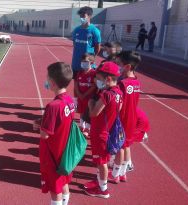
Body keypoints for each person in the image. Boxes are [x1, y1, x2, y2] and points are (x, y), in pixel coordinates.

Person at [34, 62, 75, 205]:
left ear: (52, 82)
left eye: (47, 78)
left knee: (54, 189)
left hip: (52, 154)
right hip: (64, 152)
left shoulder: (53, 106)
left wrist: (38, 126)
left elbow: (45, 135)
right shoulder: (70, 100)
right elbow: (62, 121)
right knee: (63, 182)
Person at [83, 62, 122, 199]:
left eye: (98, 78)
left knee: (101, 162)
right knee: (101, 161)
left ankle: (103, 189)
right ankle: (99, 182)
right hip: (107, 131)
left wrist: (90, 103)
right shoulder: (118, 92)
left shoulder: (106, 95)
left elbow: (93, 113)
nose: (96, 81)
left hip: (100, 133)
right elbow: (118, 110)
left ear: (108, 79)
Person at [109, 51, 141, 183]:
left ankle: (115, 174)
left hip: (121, 119)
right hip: (132, 118)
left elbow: (119, 104)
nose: (117, 67)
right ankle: (122, 173)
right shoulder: (136, 82)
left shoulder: (122, 83)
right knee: (126, 145)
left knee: (119, 148)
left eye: (119, 64)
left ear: (127, 66)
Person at [72, 6, 101, 76]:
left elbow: (98, 48)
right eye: (80, 16)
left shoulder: (94, 31)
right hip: (76, 62)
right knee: (76, 83)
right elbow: (74, 44)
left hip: (87, 62)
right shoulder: (76, 30)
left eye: (83, 16)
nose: (82, 18)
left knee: (87, 84)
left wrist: (92, 58)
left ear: (90, 16)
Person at [74, 53, 96, 137]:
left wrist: (85, 94)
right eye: (82, 61)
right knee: (81, 111)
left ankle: (88, 128)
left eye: (86, 61)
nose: (83, 63)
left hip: (89, 98)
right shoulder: (79, 73)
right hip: (81, 97)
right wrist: (78, 95)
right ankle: (81, 126)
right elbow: (76, 84)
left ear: (92, 62)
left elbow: (94, 86)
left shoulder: (93, 73)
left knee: (88, 112)